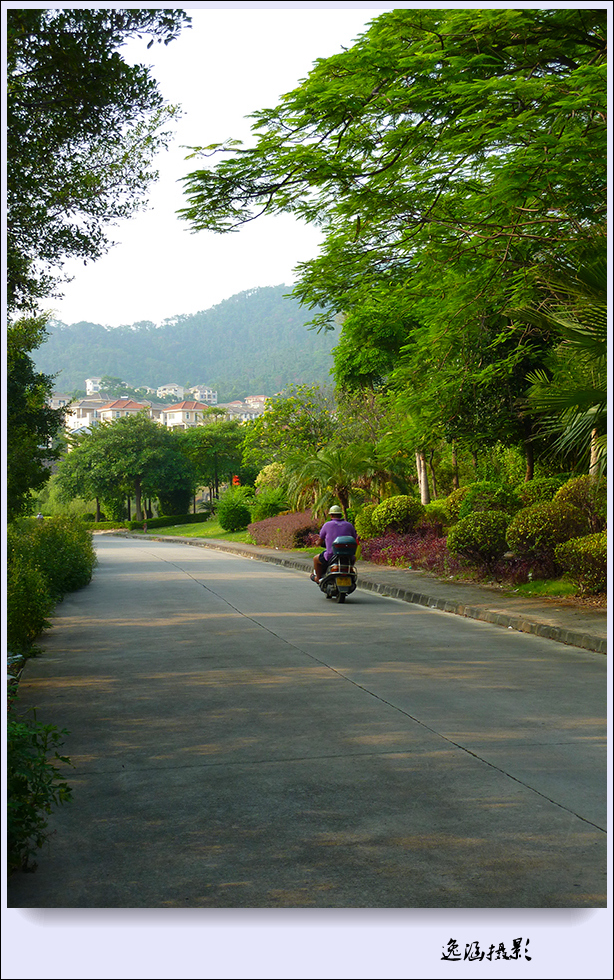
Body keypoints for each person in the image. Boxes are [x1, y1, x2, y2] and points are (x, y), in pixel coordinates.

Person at [312, 505, 359, 583]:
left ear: (331, 515)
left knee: (315, 559)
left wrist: (317, 543)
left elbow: (320, 541)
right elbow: (355, 539)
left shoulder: (327, 525)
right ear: (341, 515)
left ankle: (318, 578)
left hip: (331, 556)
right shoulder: (349, 525)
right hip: (348, 557)